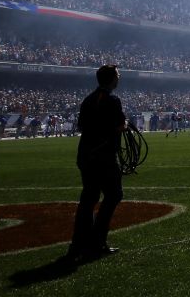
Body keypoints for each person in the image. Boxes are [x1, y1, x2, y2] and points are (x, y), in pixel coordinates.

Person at [67, 65, 126, 260]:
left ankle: (78, 243)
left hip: (85, 154)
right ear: (111, 79)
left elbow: (82, 125)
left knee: (89, 197)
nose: (119, 78)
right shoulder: (112, 100)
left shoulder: (88, 99)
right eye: (117, 75)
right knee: (114, 194)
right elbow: (119, 126)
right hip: (104, 156)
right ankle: (97, 240)